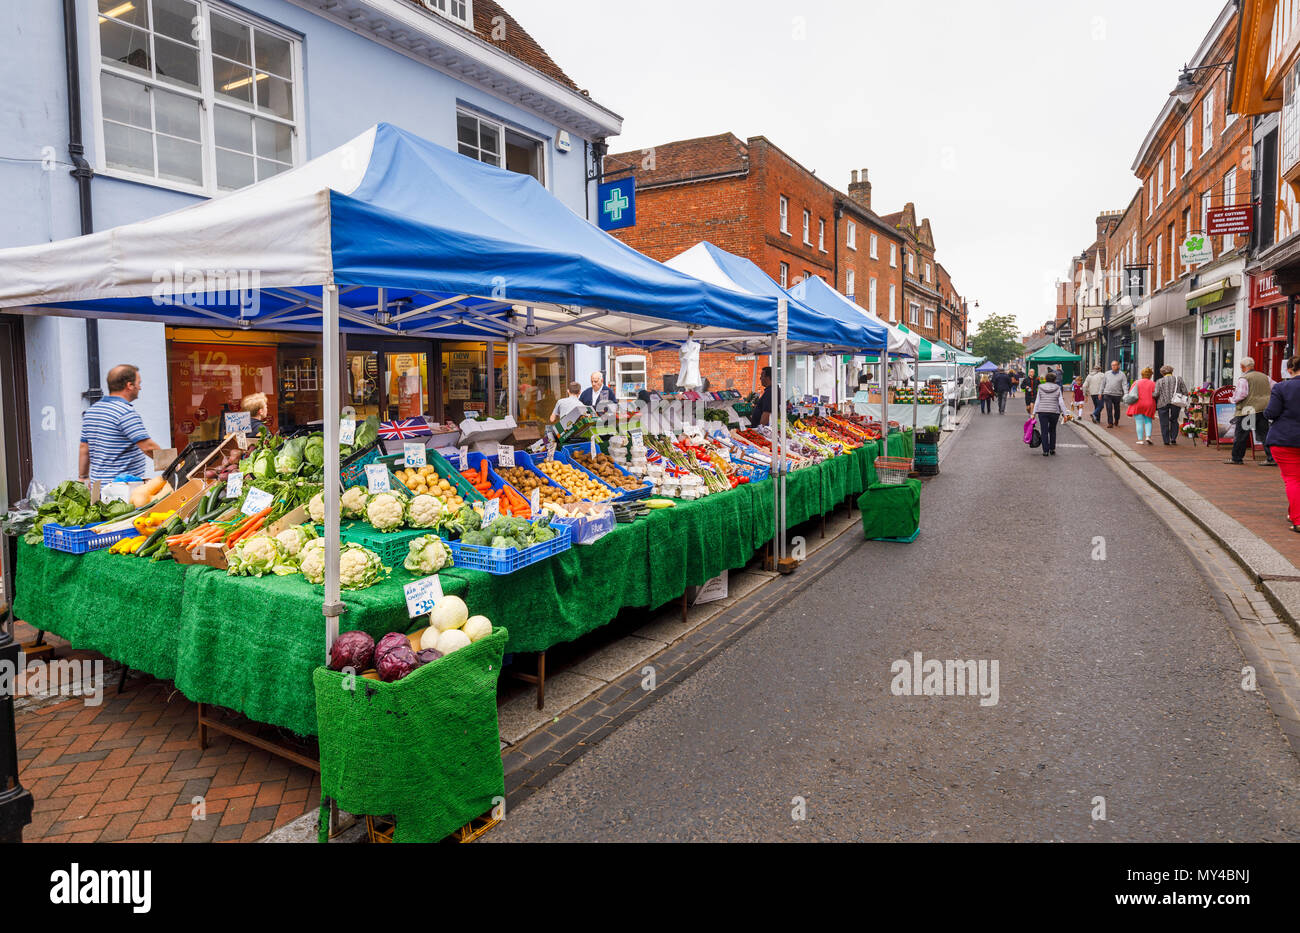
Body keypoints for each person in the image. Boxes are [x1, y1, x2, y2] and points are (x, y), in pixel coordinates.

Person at [78, 364, 162, 483]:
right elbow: (148, 447)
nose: (140, 388)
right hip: (121, 489)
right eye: (139, 383)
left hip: (98, 487)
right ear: (129, 385)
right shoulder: (125, 412)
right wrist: (174, 466)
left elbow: (84, 447)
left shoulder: (92, 411)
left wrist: (83, 477)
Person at [1264, 356, 1300, 531]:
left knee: (1292, 479)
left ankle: (1298, 519)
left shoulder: (1282, 387)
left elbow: (1271, 413)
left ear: (1290, 370)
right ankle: (1294, 512)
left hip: (1285, 439)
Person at [1227, 357, 1276, 466]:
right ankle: (1271, 458)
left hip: (1248, 411)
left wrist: (1232, 399)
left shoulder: (1244, 378)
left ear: (1243, 367)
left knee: (1241, 435)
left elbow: (1241, 394)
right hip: (1263, 410)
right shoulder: (1265, 377)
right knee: (1265, 435)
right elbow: (1276, 387)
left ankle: (1237, 458)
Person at [1153, 365, 1187, 446]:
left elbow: (1156, 394)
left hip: (1162, 403)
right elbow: (1185, 391)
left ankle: (1166, 440)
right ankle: (1173, 438)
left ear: (1162, 373)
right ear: (1172, 371)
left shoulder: (1159, 381)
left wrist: (1151, 395)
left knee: (1164, 422)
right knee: (1174, 420)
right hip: (1176, 402)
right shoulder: (1178, 379)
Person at [1034, 371, 1065, 456]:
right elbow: (1061, 401)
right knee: (1052, 430)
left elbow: (1037, 401)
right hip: (1054, 411)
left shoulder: (1040, 387)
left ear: (1046, 379)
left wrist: (1033, 413)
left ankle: (1045, 451)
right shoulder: (1058, 387)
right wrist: (1065, 413)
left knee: (1044, 431)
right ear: (1054, 380)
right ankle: (1052, 448)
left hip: (1042, 411)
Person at [1128, 366, 1158, 445]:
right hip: (1149, 404)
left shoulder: (1136, 382)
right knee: (1148, 421)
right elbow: (1156, 394)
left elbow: (1131, 393)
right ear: (1150, 375)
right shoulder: (1153, 384)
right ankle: (1148, 437)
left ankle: (1140, 439)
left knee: (1139, 422)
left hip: (1138, 404)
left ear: (1142, 374)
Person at [1101, 360, 1129, 428]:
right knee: (1109, 408)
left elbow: (1124, 385)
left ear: (1118, 366)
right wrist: (1100, 392)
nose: (1113, 366)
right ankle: (1110, 423)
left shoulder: (1122, 374)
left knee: (1117, 409)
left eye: (1115, 365)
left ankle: (1116, 420)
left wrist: (1126, 393)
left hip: (1117, 394)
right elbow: (1103, 384)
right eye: (1112, 365)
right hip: (1107, 393)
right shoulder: (1107, 373)